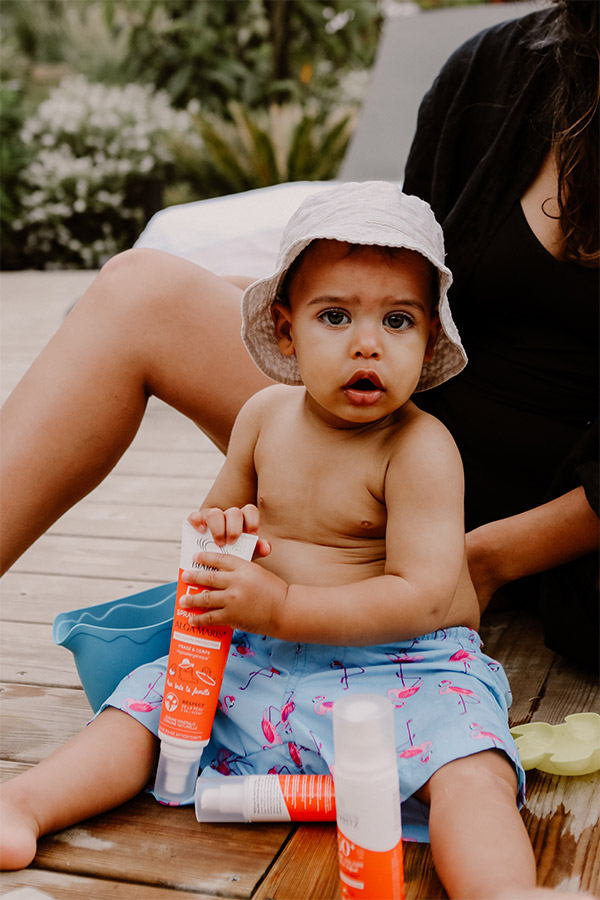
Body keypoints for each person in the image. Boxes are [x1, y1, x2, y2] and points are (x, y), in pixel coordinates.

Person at [1, 182, 585, 900]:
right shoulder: (262, 417)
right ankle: (23, 805)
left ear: (430, 340)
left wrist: (280, 605)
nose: (367, 343)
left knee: (472, 770)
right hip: (264, 661)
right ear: (285, 330)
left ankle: (503, 891)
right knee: (140, 708)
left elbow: (427, 596)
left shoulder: (422, 449)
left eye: (398, 321)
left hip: (402, 669)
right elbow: (217, 519)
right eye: (334, 316)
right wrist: (222, 534)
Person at [0, 2, 597, 658]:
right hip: (387, 438)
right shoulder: (494, 69)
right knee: (141, 291)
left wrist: (482, 560)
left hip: (556, 526)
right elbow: (395, 282)